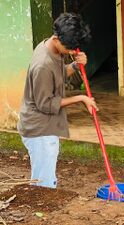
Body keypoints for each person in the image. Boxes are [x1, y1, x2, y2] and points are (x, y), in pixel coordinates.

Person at [17, 13, 98, 188]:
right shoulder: (43, 65)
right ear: (57, 38)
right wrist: (81, 98)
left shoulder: (50, 47)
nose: (71, 52)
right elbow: (45, 104)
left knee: (43, 176)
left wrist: (76, 66)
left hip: (46, 125)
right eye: (69, 48)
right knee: (44, 183)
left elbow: (59, 75)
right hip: (39, 128)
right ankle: (42, 212)